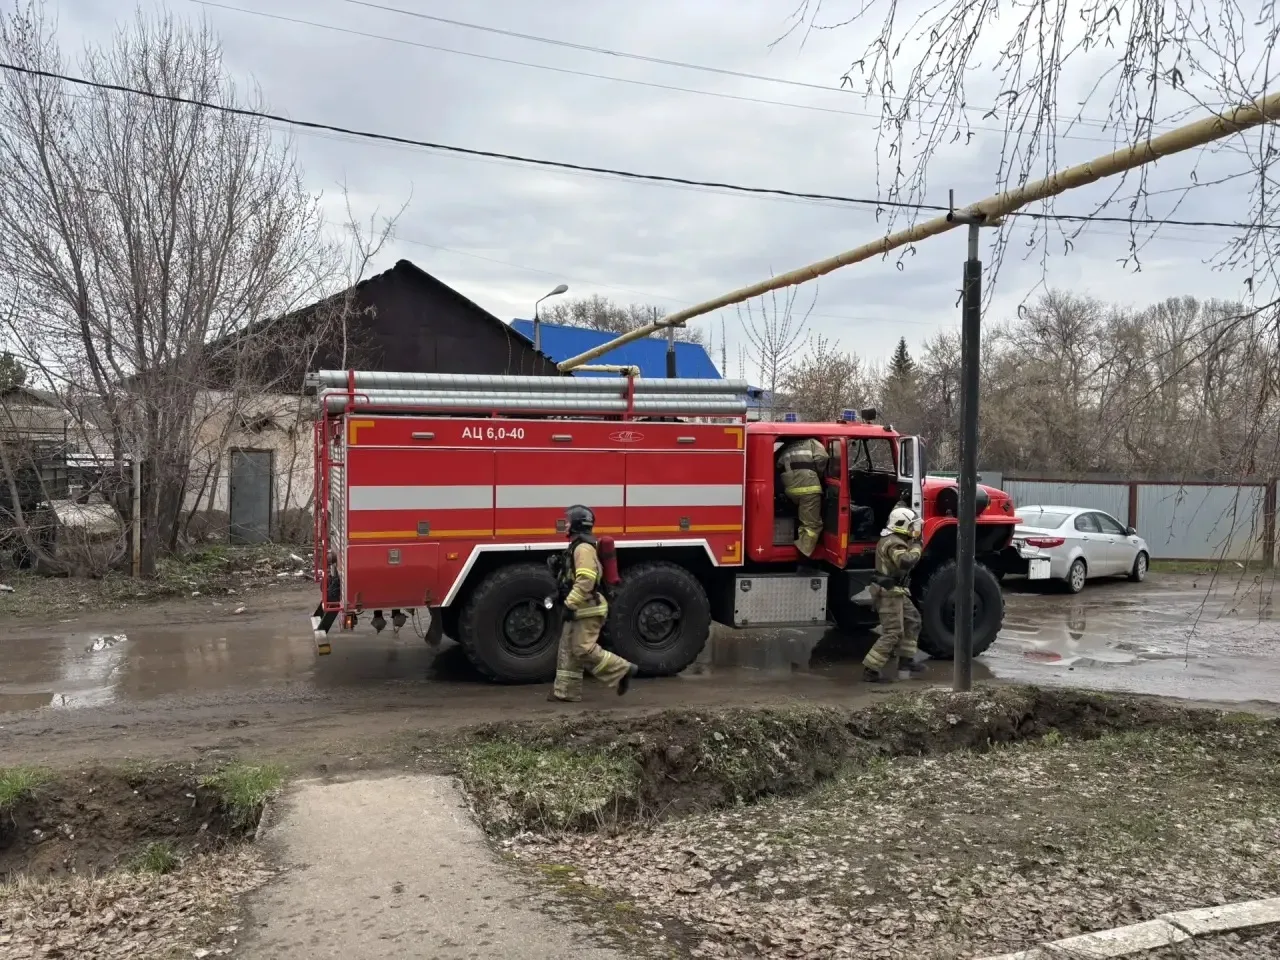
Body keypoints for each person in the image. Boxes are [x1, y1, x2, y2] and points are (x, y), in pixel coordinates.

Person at [549, 504, 638, 702]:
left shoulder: (583, 548)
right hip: (581, 606)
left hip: (587, 608)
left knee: (582, 648)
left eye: (569, 521)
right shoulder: (578, 546)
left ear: (578, 525)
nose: (566, 525)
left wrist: (570, 604)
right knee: (568, 649)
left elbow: (587, 579)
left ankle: (623, 670)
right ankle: (566, 693)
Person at [863, 504, 928, 683]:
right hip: (888, 593)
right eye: (912, 526)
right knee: (893, 632)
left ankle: (906, 661)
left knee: (913, 620)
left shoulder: (895, 538)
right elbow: (905, 562)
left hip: (896, 591)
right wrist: (917, 547)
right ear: (902, 524)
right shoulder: (893, 542)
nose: (915, 530)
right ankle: (871, 670)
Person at [775, 437, 829, 556]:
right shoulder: (811, 442)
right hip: (809, 488)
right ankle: (803, 553)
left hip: (790, 489)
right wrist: (818, 473)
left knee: (801, 516)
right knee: (812, 524)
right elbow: (822, 457)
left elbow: (777, 464)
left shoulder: (786, 447)